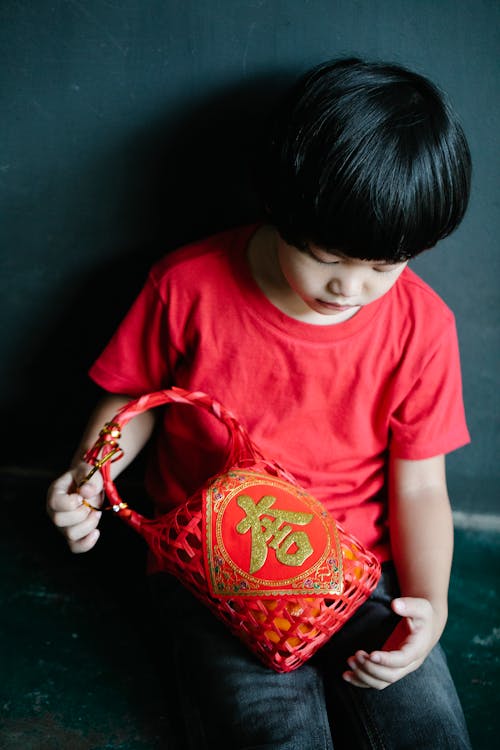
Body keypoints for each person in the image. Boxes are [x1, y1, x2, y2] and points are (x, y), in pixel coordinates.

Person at [46, 58, 473, 749]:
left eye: (384, 267)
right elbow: (135, 399)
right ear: (279, 206)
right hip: (216, 569)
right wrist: (90, 478)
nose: (351, 289)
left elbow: (421, 484)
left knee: (427, 728)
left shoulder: (423, 326)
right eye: (329, 258)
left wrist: (430, 608)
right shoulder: (188, 286)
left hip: (356, 570)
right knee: (274, 733)